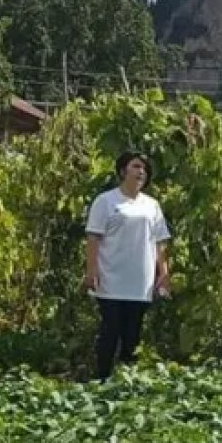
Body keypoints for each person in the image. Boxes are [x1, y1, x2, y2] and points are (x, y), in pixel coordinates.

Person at [84, 150, 172, 380]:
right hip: (111, 279)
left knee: (133, 335)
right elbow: (94, 238)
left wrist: (163, 274)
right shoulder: (106, 201)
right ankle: (101, 379)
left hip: (140, 281)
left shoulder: (152, 206)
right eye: (135, 166)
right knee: (110, 331)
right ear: (123, 171)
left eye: (144, 169)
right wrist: (91, 271)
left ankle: (127, 380)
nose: (140, 172)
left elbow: (159, 243)